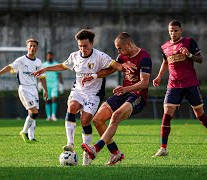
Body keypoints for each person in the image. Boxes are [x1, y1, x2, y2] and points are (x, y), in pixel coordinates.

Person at [32, 29, 134, 166]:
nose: (82, 49)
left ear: (91, 43)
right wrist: (46, 69)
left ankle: (87, 155)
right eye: (80, 46)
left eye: (85, 46)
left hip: (93, 94)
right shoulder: (74, 56)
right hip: (78, 91)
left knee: (85, 121)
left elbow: (113, 65)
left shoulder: (100, 56)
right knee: (72, 106)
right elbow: (63, 65)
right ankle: (70, 143)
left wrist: (123, 66)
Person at [151, 20, 207, 157]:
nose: (173, 33)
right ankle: (163, 148)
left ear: (181, 31)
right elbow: (165, 62)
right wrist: (159, 76)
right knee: (166, 114)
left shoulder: (189, 42)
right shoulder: (165, 47)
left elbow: (200, 59)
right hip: (173, 85)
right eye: (171, 31)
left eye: (176, 30)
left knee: (200, 115)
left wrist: (189, 55)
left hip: (190, 84)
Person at [81, 32, 152, 166]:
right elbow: (109, 70)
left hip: (138, 96)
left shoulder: (144, 58)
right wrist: (94, 76)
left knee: (116, 116)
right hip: (123, 93)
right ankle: (115, 153)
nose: (118, 51)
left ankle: (96, 148)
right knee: (97, 119)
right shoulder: (122, 56)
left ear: (128, 44)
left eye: (119, 48)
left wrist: (126, 88)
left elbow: (144, 83)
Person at [0, 38, 48, 143]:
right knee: (34, 112)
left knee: (32, 113)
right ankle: (24, 132)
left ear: (37, 48)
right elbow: (9, 67)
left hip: (34, 89)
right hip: (24, 88)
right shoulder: (21, 60)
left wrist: (45, 90)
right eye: (30, 46)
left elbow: (42, 77)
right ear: (27, 47)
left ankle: (31, 137)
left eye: (34, 46)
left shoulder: (38, 62)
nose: (32, 48)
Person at [41, 51, 64, 122]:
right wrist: (39, 83)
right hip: (46, 85)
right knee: (47, 100)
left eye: (51, 56)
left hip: (54, 84)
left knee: (54, 99)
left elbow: (59, 75)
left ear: (52, 56)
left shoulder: (56, 64)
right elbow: (41, 75)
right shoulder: (43, 65)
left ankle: (53, 115)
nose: (49, 57)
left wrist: (61, 84)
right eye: (48, 56)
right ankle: (48, 116)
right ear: (46, 56)